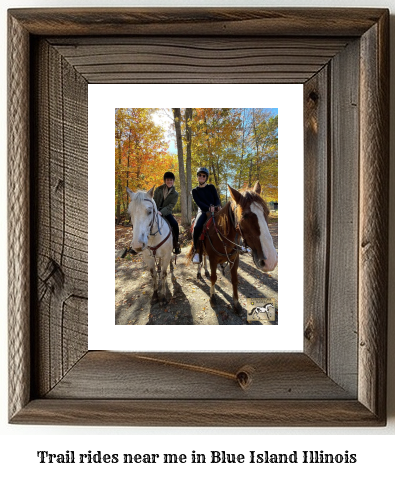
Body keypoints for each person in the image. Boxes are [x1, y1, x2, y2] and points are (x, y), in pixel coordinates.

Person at [191, 167, 221, 263]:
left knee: (226, 222)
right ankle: (196, 251)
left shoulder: (211, 187)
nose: (201, 177)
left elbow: (216, 198)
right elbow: (199, 202)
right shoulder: (194, 191)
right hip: (203, 211)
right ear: (197, 177)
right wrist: (208, 208)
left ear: (206, 177)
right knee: (197, 227)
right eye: (200, 175)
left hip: (214, 210)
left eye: (204, 176)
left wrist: (217, 206)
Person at [153, 171, 181, 254]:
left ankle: (176, 244)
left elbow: (171, 206)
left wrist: (161, 212)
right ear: (165, 180)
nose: (169, 182)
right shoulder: (158, 189)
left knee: (175, 224)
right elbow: (154, 200)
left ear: (173, 181)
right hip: (155, 210)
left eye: (171, 180)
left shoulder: (175, 194)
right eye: (168, 180)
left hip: (167, 212)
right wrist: (155, 210)